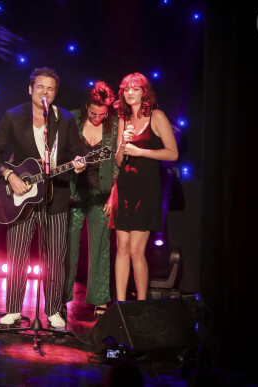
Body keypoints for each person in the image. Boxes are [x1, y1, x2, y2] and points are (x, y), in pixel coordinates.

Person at [0, 67, 86, 328]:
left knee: (55, 256)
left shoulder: (64, 119)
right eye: (40, 87)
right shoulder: (14, 116)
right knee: (17, 255)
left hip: (57, 195)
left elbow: (77, 152)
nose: (45, 92)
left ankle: (53, 310)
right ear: (30, 89)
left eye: (51, 88)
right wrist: (8, 175)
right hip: (21, 198)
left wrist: (79, 163)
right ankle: (13, 310)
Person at [108, 72, 178, 301]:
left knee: (137, 251)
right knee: (122, 248)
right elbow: (119, 161)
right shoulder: (123, 118)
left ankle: (141, 304)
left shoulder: (156, 116)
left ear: (144, 92)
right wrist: (124, 143)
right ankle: (120, 304)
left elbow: (172, 153)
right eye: (126, 89)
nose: (130, 93)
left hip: (146, 190)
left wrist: (140, 152)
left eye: (135, 89)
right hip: (124, 187)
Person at [63, 80, 118, 316]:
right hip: (74, 191)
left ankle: (100, 299)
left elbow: (119, 164)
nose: (97, 118)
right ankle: (60, 299)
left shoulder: (114, 125)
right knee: (67, 246)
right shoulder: (72, 119)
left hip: (102, 192)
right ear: (86, 106)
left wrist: (114, 195)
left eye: (102, 114)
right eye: (93, 113)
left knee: (100, 246)